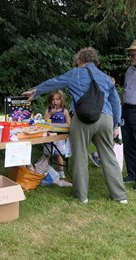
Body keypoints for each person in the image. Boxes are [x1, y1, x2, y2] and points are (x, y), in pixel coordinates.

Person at [22, 47, 127, 204]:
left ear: (80, 60)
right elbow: (116, 103)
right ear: (94, 61)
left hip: (84, 119)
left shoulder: (76, 73)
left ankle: (82, 196)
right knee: (109, 156)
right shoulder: (105, 77)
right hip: (106, 119)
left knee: (80, 156)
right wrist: (116, 124)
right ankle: (120, 197)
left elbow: (54, 82)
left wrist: (36, 91)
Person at [43, 89, 71, 179]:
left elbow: (68, 124)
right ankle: (43, 169)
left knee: (59, 154)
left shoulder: (64, 111)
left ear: (61, 100)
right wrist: (50, 113)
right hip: (50, 135)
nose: (55, 101)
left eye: (57, 99)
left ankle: (61, 171)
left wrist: (61, 126)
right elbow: (43, 121)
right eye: (53, 99)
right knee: (47, 153)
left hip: (60, 136)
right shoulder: (48, 109)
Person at [121, 39, 136, 190]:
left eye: (134, 53)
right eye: (131, 53)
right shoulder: (129, 70)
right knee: (129, 143)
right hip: (126, 110)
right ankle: (132, 174)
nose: (131, 55)